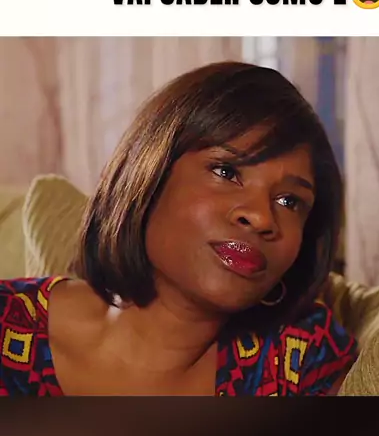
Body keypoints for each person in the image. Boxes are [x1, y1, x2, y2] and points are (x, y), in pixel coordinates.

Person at [0, 61, 357, 396]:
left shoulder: (300, 361)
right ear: (149, 173)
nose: (263, 217)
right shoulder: (8, 327)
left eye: (289, 201)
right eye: (226, 172)